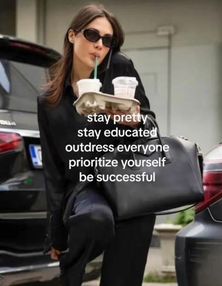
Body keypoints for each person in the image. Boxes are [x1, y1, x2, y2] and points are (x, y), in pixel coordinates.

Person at [37, 4, 156, 286]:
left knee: (135, 224)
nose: (100, 45)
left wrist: (134, 122)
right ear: (72, 36)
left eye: (107, 40)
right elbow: (53, 170)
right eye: (92, 35)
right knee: (96, 218)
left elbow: (150, 124)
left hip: (126, 178)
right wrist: (56, 233)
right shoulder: (49, 102)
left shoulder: (121, 69)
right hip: (84, 186)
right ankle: (70, 272)